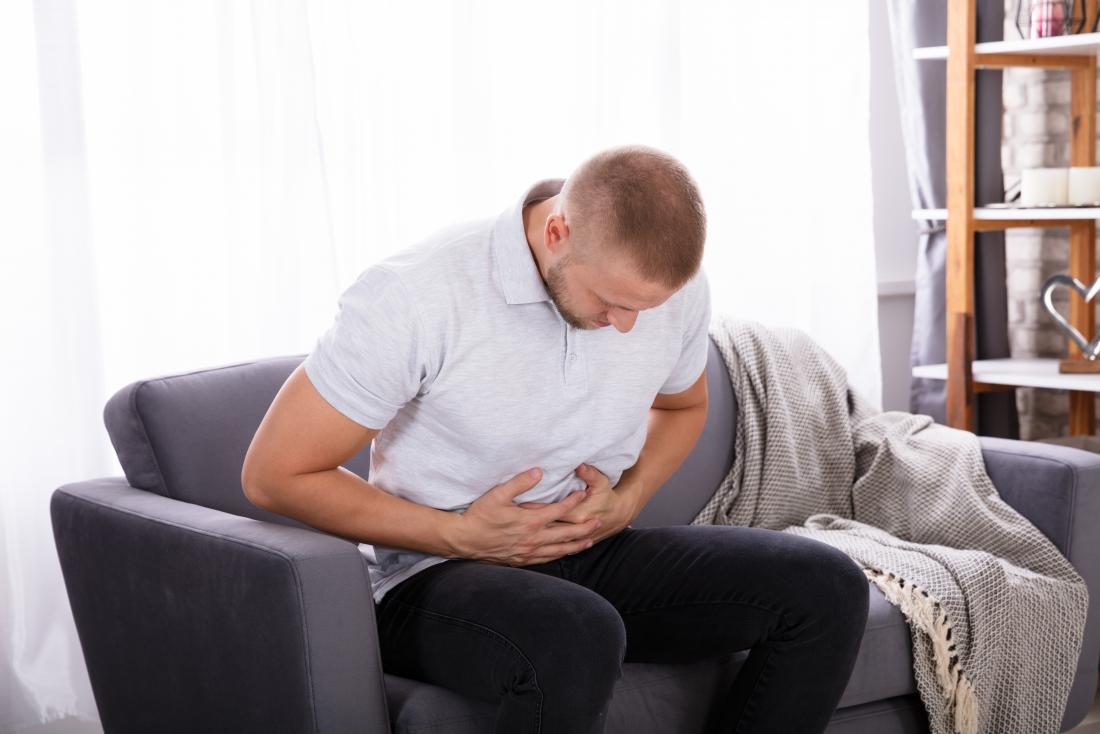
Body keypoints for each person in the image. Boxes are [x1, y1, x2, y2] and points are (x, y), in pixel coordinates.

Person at [241, 144, 870, 733]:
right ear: (556, 232)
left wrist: (630, 496)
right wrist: (458, 533)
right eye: (611, 301)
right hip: (434, 574)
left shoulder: (665, 293)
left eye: (644, 310)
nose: (626, 327)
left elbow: (683, 405)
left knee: (825, 586)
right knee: (576, 634)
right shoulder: (415, 296)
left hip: (587, 549)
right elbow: (275, 473)